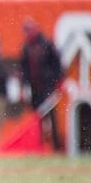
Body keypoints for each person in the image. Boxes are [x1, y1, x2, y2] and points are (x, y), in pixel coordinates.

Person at [19, 17, 63, 151]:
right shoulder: (26, 47)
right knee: (37, 118)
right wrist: (23, 87)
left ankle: (55, 146)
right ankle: (39, 144)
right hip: (35, 87)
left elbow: (57, 65)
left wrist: (57, 81)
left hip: (47, 86)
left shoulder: (47, 45)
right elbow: (24, 69)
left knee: (51, 117)